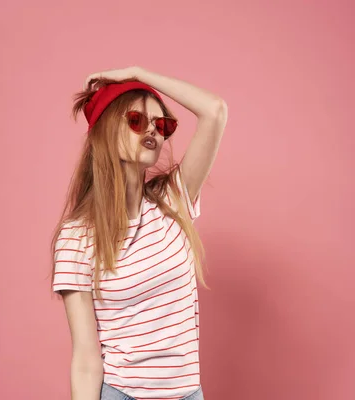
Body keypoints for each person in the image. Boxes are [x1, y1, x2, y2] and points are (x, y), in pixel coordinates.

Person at [51, 66, 227, 400]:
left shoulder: (173, 201)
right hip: (123, 394)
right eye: (135, 120)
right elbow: (86, 358)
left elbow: (215, 111)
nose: (152, 131)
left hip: (189, 394)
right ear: (105, 130)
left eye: (161, 125)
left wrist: (139, 74)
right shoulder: (75, 238)